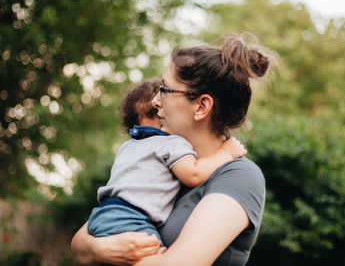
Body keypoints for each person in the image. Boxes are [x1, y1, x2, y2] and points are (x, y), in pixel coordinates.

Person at [71, 32, 275, 266]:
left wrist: (95, 251)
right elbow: (79, 241)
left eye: (165, 90)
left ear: (201, 106)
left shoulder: (239, 176)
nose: (156, 101)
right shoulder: (163, 163)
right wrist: (102, 249)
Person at [87, 79, 247, 244]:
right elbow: (193, 174)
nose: (162, 115)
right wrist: (226, 153)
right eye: (154, 113)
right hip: (132, 219)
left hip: (101, 216)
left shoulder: (127, 147)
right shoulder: (170, 142)